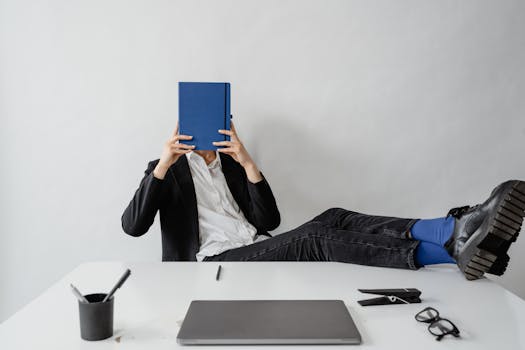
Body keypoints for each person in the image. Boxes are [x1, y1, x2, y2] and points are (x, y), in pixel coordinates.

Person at [121, 122, 525, 280]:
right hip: (214, 264)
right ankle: (457, 243)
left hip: (253, 248)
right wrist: (164, 162)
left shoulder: (230, 166)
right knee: (312, 236)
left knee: (333, 216)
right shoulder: (166, 169)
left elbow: (270, 219)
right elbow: (132, 226)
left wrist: (246, 162)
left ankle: (455, 235)